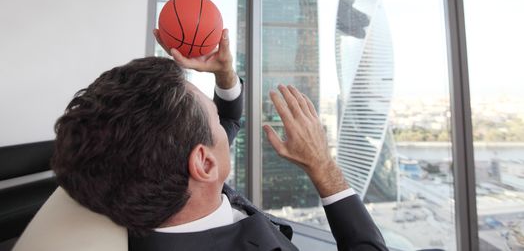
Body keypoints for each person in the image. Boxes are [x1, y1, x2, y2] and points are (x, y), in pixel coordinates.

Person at [51, 28, 387, 251]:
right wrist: (322, 166)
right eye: (211, 111)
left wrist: (224, 75)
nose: (222, 119)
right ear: (204, 163)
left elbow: (227, 118)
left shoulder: (150, 175)